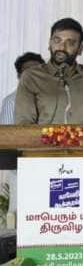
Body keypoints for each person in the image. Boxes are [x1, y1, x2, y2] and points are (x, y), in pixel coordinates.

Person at [0, 53, 45, 220]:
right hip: (22, 177)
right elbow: (6, 145)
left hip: (52, 173)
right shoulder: (11, 102)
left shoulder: (54, 102)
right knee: (24, 227)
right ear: (20, 76)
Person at [1, 52, 45, 124]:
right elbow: (5, 134)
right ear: (19, 76)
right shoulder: (11, 102)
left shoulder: (52, 99)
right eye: (27, 71)